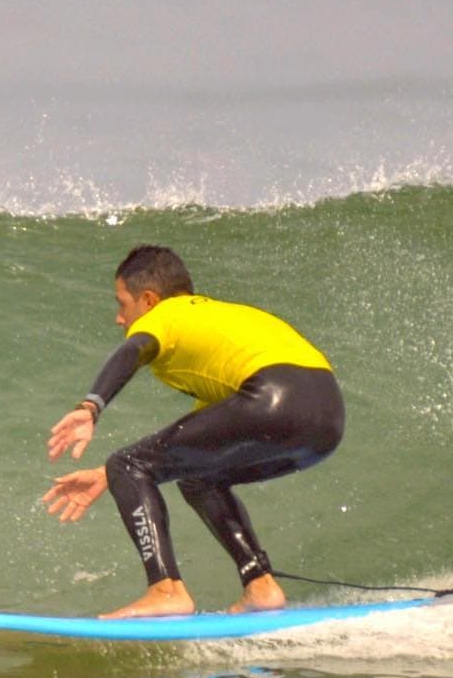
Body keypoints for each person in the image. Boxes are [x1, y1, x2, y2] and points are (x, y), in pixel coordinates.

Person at [42, 244, 344, 619]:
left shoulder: (165, 315)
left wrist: (90, 407)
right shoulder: (217, 318)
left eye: (123, 304)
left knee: (129, 462)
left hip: (271, 394)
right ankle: (260, 585)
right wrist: (111, 476)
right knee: (197, 476)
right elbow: (202, 435)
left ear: (149, 299)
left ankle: (166, 590)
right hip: (327, 416)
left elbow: (132, 351)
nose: (120, 318)